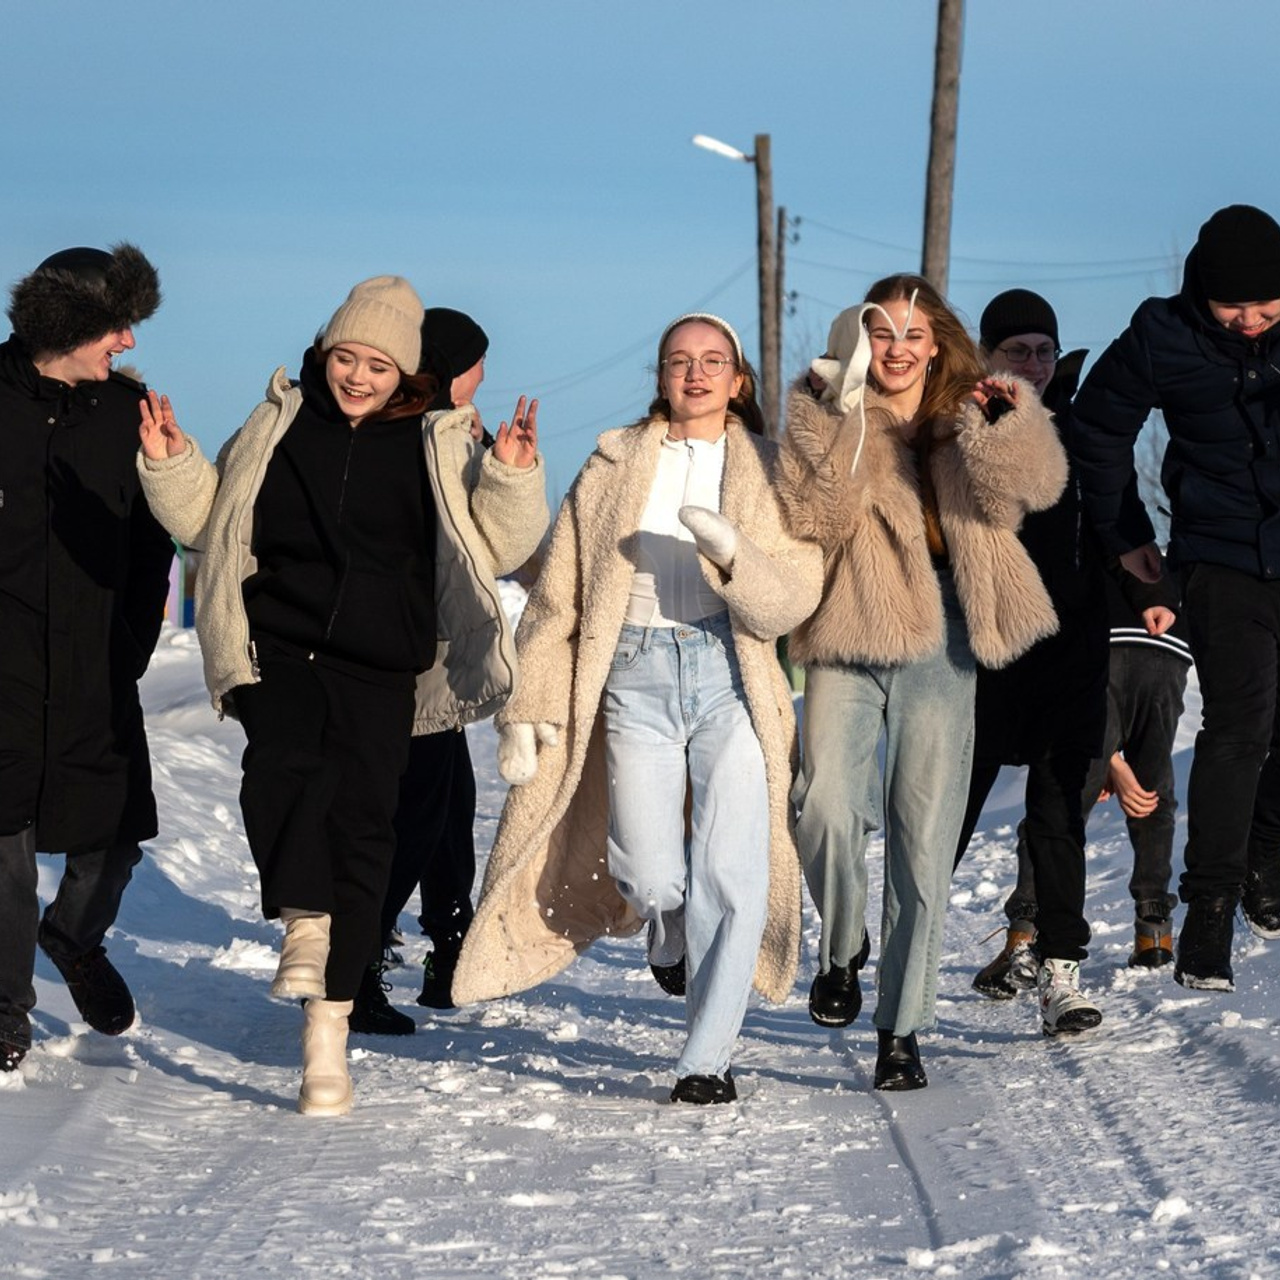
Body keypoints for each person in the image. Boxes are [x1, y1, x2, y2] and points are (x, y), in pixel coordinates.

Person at [136, 277, 548, 1114]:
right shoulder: (278, 421)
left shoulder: (439, 442)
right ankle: (303, 919)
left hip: (383, 665)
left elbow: (495, 547)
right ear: (324, 353)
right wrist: (171, 462)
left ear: (407, 375)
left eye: (377, 365)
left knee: (366, 830)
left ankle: (329, 1030)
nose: (357, 376)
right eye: (345, 357)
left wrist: (511, 475)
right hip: (279, 645)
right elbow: (211, 523)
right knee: (282, 767)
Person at [452, 313, 823, 1105]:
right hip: (633, 671)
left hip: (733, 673)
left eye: (712, 361)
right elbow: (561, 594)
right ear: (660, 376)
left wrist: (734, 556)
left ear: (738, 379)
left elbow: (794, 594)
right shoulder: (613, 463)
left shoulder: (769, 467)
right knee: (648, 869)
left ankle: (706, 1059)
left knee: (731, 871)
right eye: (679, 361)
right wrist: (537, 698)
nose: (695, 373)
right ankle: (669, 928)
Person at [777, 275, 1069, 1088]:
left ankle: (901, 1029)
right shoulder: (824, 405)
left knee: (923, 840)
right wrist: (835, 419)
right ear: (858, 339)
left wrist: (1005, 424)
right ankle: (843, 947)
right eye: (882, 333)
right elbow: (815, 518)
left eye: (913, 334)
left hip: (943, 637)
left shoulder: (972, 412)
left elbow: (1036, 490)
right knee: (822, 801)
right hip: (849, 624)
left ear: (936, 341)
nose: (898, 349)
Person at [1071, 204, 1280, 992]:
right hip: (1219, 561)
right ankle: (1209, 917)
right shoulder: (1165, 335)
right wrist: (1128, 537)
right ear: (1203, 294)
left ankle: (1266, 858)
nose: (1253, 322)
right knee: (1238, 727)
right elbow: (1096, 430)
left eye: (1269, 308)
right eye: (1237, 308)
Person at [0, 244, 172, 1073]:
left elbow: (152, 545)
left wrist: (131, 644)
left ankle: (73, 937)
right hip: (2, 667)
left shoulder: (126, 413)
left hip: (96, 664)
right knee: (1, 839)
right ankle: (4, 1007)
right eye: (116, 324)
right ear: (66, 324)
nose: (129, 342)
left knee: (112, 838)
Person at [955, 290, 1109, 1034]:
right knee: (947, 814)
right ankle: (900, 959)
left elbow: (1112, 525)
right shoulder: (963, 425)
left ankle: (1060, 975)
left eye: (1045, 350)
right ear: (988, 355)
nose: (1037, 364)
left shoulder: (1082, 428)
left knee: (1059, 818)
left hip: (1069, 656)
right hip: (987, 656)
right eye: (1019, 350)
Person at [351, 306, 499, 1033]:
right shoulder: (424, 434)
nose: (484, 379)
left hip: (435, 660)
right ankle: (364, 955)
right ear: (449, 367)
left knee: (449, 805)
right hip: (407, 658)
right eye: (477, 364)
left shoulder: (450, 429)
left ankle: (447, 945)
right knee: (415, 814)